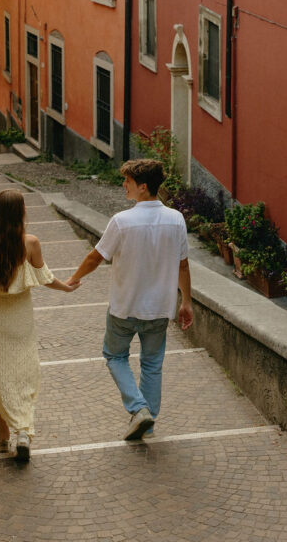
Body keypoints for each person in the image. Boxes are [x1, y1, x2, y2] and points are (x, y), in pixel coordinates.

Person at [66, 158, 193, 441]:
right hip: (160, 308)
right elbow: (183, 265)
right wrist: (186, 302)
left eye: (128, 181)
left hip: (125, 308)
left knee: (114, 355)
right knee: (152, 364)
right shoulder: (176, 220)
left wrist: (73, 279)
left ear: (143, 187)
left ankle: (138, 410)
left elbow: (95, 256)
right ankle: (148, 419)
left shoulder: (122, 222)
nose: (124, 185)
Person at [0, 188, 78, 462]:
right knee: (24, 376)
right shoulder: (31, 243)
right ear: (19, 213)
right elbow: (45, 278)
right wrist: (67, 288)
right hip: (20, 320)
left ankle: (3, 438)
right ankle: (22, 432)